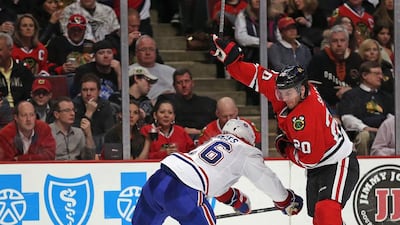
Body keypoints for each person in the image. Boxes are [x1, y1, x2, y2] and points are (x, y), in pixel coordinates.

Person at [210, 35, 359, 225]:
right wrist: (231, 60)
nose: (283, 97)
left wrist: (286, 149)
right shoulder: (285, 87)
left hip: (338, 161)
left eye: (288, 93)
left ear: (303, 90)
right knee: (320, 218)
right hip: (318, 167)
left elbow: (310, 158)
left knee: (327, 210)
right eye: (281, 92)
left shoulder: (306, 117)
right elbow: (256, 75)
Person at [132, 118, 303, 225]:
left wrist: (235, 200)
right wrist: (285, 200)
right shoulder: (245, 150)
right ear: (249, 139)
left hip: (158, 181)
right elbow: (265, 178)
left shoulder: (212, 141)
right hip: (184, 193)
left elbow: (211, 176)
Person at [338, 61, 393, 155]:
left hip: (384, 133)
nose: (381, 77)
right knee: (364, 136)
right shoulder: (351, 95)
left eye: (381, 74)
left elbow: (392, 118)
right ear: (364, 75)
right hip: (362, 132)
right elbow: (347, 118)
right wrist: (366, 128)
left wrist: (384, 130)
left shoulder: (386, 97)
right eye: (376, 74)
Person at [307, 25, 362, 118]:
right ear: (329, 43)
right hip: (326, 105)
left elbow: (364, 87)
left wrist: (351, 91)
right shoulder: (319, 59)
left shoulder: (356, 59)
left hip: (352, 104)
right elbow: (312, 88)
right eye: (335, 41)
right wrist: (335, 93)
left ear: (348, 42)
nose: (339, 44)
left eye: (342, 40)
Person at [157, 68, 217, 140]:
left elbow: (215, 128)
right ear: (174, 86)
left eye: (186, 81)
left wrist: (199, 132)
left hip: (203, 140)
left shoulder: (208, 103)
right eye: (179, 82)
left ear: (192, 83)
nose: (184, 85)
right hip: (174, 141)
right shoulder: (166, 102)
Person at [72, 73, 115, 154]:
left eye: (92, 90)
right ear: (80, 92)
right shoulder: (74, 106)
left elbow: (110, 133)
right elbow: (76, 136)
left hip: (102, 149)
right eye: (85, 90)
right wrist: (89, 113)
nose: (88, 93)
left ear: (99, 92)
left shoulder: (105, 105)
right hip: (79, 150)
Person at [132, 35, 175, 101]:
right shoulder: (129, 71)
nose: (148, 53)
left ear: (156, 52)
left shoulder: (171, 72)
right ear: (136, 52)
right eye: (143, 49)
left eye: (151, 49)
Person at [0, 32, 35, 108]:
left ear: (10, 50)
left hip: (21, 111)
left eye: (0, 50)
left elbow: (30, 94)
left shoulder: (23, 70)